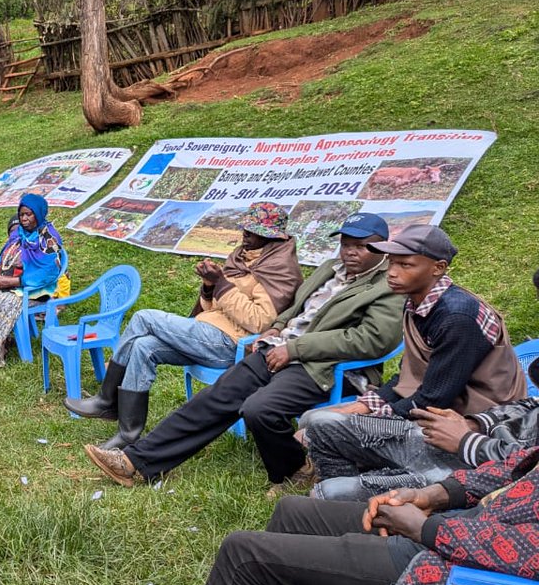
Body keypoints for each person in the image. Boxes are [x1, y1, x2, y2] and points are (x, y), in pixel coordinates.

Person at [83, 212, 404, 493]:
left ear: (383, 248)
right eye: (345, 243)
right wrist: (277, 329)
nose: (350, 252)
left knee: (258, 410)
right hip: (279, 350)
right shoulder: (330, 268)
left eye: (361, 246)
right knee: (216, 398)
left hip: (327, 367)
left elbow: (371, 340)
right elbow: (295, 308)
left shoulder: (387, 285)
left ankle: (294, 470)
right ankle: (135, 462)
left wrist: (294, 348)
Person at [163, 449, 539, 585]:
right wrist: (430, 495)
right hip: (452, 538)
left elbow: (528, 556)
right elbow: (513, 470)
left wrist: (424, 528)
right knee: (292, 511)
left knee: (243, 555)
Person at [299, 225, 526, 494]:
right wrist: (364, 406)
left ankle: (347, 489)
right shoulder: (418, 301)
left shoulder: (457, 317)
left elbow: (433, 399)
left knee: (321, 424)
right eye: (392, 263)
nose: (393, 272)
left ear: (438, 267)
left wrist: (365, 414)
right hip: (432, 405)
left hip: (467, 424)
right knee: (314, 418)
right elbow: (411, 375)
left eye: (405, 264)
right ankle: (337, 479)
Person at [66, 201, 303, 449]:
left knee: (143, 317)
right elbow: (214, 309)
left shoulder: (281, 269)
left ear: (270, 236)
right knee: (143, 347)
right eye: (245, 227)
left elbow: (258, 321)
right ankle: (128, 433)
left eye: (253, 231)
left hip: (229, 344)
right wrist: (210, 286)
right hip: (207, 332)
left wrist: (222, 284)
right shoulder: (242, 258)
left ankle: (106, 400)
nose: (245, 233)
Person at [309, 360, 539, 501]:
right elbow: (532, 404)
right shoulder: (414, 310)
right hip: (467, 439)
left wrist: (466, 440)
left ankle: (357, 518)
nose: (392, 276)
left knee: (328, 493)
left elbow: (528, 468)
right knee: (321, 423)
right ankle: (352, 517)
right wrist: (473, 423)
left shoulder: (460, 316)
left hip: (484, 474)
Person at [0, 194, 65, 367]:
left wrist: (12, 282)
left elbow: (47, 273)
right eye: (21, 214)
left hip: (32, 291)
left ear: (38, 214)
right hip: (7, 285)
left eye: (28, 214)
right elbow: (3, 257)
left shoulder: (48, 238)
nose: (23, 219)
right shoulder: (18, 234)